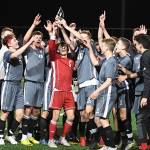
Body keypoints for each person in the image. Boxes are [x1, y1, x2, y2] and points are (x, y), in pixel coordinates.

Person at [45, 20, 75, 148]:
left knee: (71, 117)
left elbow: (72, 46)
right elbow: (51, 47)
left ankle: (63, 138)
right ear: (58, 50)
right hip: (57, 91)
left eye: (65, 47)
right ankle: (51, 140)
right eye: (61, 47)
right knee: (55, 117)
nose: (63, 48)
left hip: (69, 92)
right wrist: (53, 33)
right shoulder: (54, 58)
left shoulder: (71, 61)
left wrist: (68, 31)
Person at [0, 34, 34, 145]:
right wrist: (29, 42)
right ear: (9, 43)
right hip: (9, 85)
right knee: (5, 112)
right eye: (14, 40)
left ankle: (9, 135)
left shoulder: (19, 53)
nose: (17, 41)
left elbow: (21, 49)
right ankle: (0, 137)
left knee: (20, 113)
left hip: (19, 86)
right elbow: (14, 55)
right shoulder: (7, 53)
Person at [85, 36, 118, 150]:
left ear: (107, 48)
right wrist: (89, 47)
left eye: (102, 46)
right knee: (97, 119)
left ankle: (112, 147)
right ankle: (106, 145)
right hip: (103, 92)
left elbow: (109, 81)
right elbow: (95, 62)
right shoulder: (106, 60)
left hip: (107, 92)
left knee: (103, 119)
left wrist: (96, 91)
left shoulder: (111, 61)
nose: (100, 47)